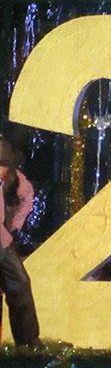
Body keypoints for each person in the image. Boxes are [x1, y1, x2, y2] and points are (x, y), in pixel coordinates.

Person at [0, 139, 42, 347]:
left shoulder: (15, 179)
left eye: (4, 165)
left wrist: (14, 225)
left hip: (3, 242)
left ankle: (28, 342)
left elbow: (27, 197)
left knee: (20, 285)